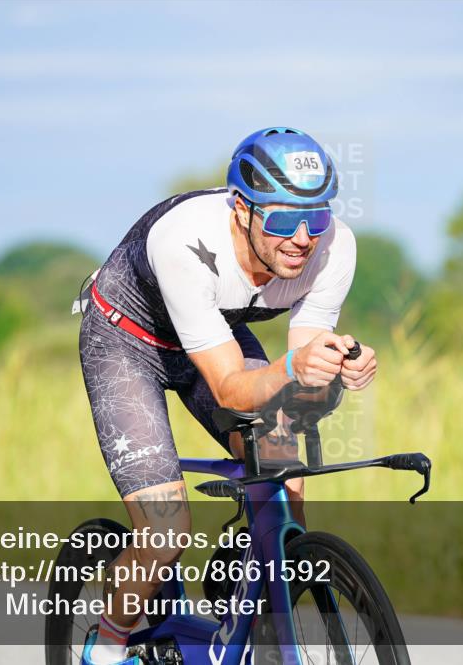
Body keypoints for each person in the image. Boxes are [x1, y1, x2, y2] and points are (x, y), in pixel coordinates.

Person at [77, 127, 377, 665]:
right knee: (166, 529)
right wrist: (292, 368)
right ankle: (107, 642)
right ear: (242, 209)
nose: (304, 237)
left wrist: (334, 369)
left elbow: (300, 369)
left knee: (286, 469)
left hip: (215, 329)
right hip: (128, 342)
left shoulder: (336, 249)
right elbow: (230, 387)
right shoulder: (184, 240)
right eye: (284, 218)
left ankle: (255, 598)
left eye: (318, 216)